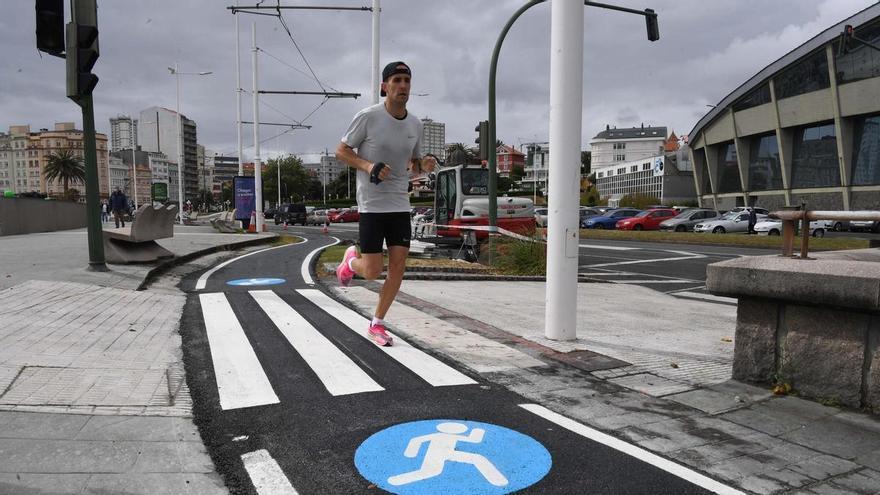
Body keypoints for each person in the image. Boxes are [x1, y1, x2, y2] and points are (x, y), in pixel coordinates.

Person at [335, 61, 437, 347]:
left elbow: (414, 163)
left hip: (399, 203)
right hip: (371, 204)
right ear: (384, 86)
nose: (403, 85)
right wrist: (368, 166)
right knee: (371, 271)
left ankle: (377, 322)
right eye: (396, 80)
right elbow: (341, 151)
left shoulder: (415, 124)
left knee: (399, 265)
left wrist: (424, 164)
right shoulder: (368, 117)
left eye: (406, 80)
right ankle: (350, 262)